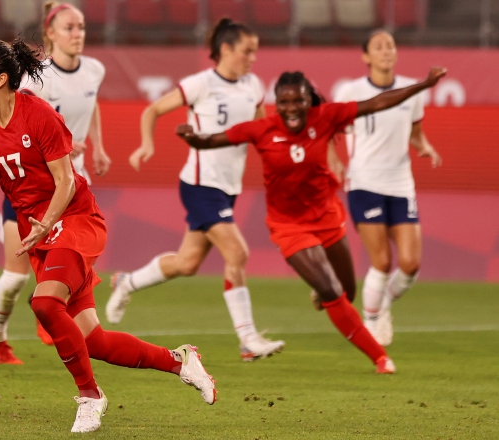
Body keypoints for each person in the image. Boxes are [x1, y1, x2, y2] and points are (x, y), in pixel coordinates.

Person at [0, 38, 216, 433]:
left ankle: (91, 397)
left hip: (76, 220)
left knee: (46, 303)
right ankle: (180, 361)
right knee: (93, 341)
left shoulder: (38, 114)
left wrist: (46, 223)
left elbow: (66, 181)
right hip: (41, 233)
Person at [175, 67, 447, 373]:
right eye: (284, 102)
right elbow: (212, 140)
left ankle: (324, 292)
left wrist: (423, 84)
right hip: (289, 226)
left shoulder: (326, 117)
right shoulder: (261, 129)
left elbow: (379, 102)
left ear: (309, 101)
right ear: (276, 104)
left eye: (298, 100)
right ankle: (380, 358)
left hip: (327, 217)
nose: (292, 108)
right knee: (333, 292)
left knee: (347, 292)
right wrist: (192, 138)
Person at [105, 18, 285, 362]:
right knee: (238, 254)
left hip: (228, 188)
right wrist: (146, 145)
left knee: (187, 263)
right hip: (201, 185)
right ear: (226, 49)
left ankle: (127, 282)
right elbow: (154, 109)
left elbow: (263, 129)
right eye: (248, 51)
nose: (253, 58)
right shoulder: (201, 83)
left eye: (255, 52)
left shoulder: (253, 85)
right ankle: (248, 340)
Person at [0, 1, 112, 363]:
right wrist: (62, 145)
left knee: (75, 261)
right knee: (14, 278)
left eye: (82, 27)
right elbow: (17, 127)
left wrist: (97, 146)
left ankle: (51, 314)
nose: (78, 35)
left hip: (71, 186)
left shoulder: (95, 70)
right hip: (30, 188)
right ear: (51, 33)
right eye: (70, 28)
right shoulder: (35, 78)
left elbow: (92, 102)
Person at [333, 30, 442, 346]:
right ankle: (371, 322)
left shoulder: (412, 91)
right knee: (381, 261)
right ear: (365, 56)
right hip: (365, 182)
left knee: (410, 265)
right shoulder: (351, 90)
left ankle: (381, 306)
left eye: (391, 45)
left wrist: (425, 147)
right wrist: (335, 162)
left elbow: (415, 132)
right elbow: (330, 131)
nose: (386, 51)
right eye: (379, 47)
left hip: (400, 183)